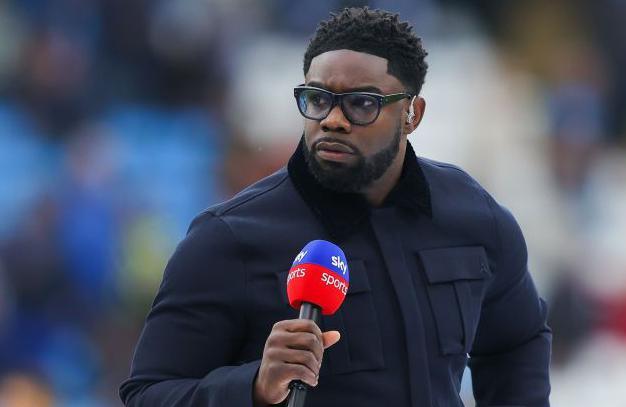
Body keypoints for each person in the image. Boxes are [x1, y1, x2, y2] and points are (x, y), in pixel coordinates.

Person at [119, 7, 551, 407]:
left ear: (412, 114)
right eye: (318, 98)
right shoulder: (228, 236)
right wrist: (253, 387)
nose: (333, 119)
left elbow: (518, 339)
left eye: (362, 103)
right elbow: (147, 394)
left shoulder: (472, 215)